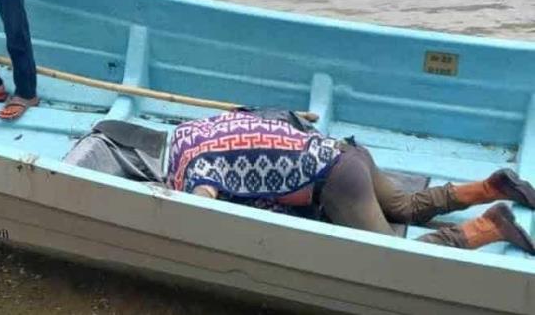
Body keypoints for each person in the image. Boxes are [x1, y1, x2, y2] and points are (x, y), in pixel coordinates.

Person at [167, 110, 535, 253]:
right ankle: (490, 186)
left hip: (337, 181)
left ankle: (488, 227)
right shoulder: (195, 128)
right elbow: (275, 115)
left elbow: (204, 206)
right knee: (404, 206)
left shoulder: (199, 173)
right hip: (347, 153)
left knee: (390, 252)